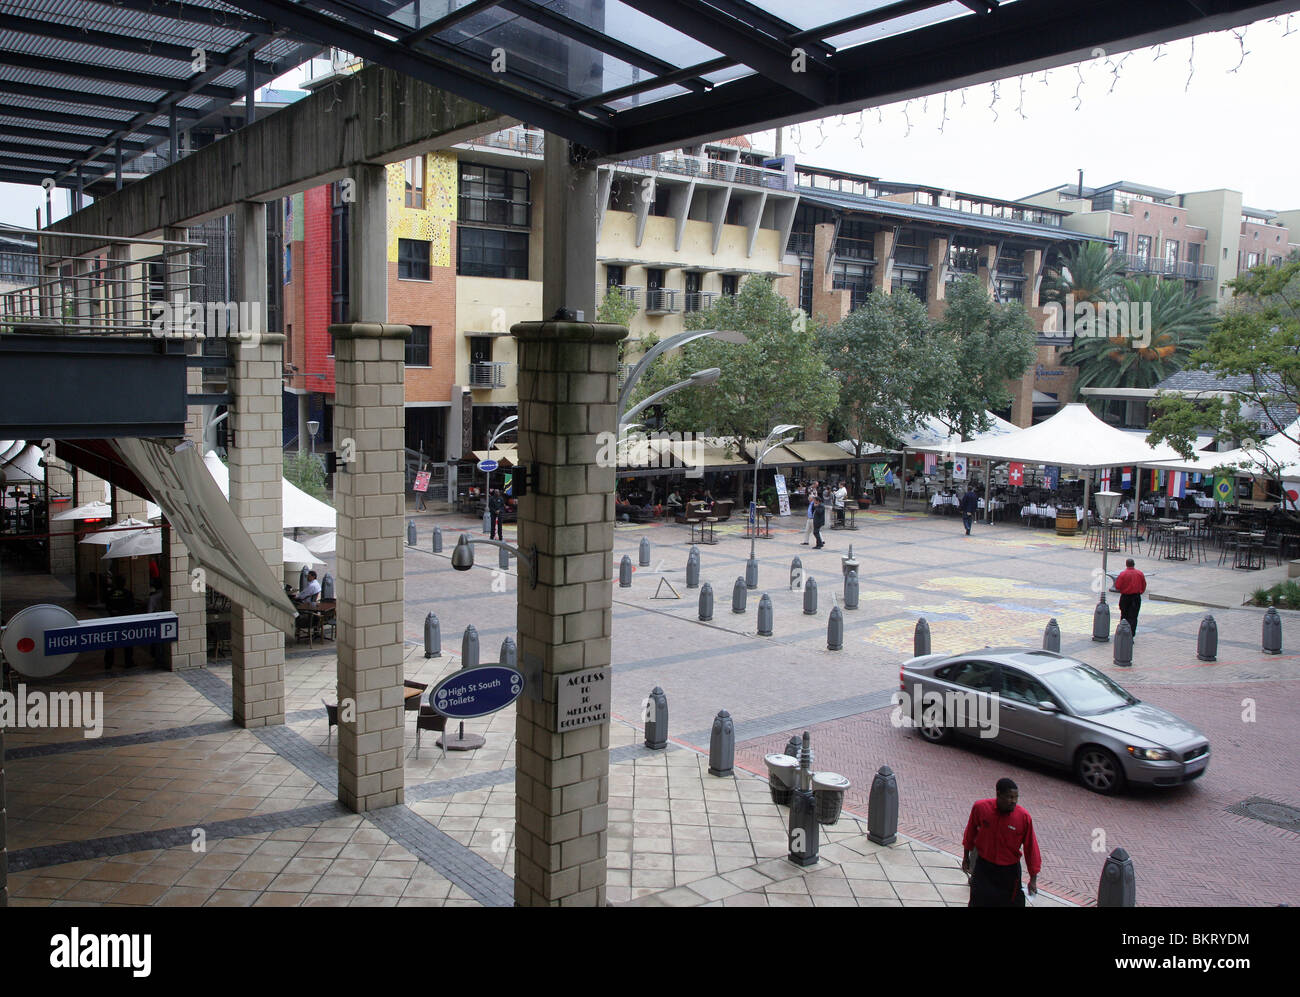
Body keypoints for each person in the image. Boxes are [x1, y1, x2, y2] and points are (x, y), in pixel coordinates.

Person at [962, 777, 1041, 907]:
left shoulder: (1023, 817)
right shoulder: (981, 808)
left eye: (1016, 798)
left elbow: (1031, 848)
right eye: (1010, 797)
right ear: (998, 794)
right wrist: (966, 858)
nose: (1013, 801)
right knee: (978, 902)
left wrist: (1033, 878)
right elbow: (970, 834)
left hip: (1009, 872)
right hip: (984, 868)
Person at [104, 574, 136, 670]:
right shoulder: (128, 593)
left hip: (112, 621)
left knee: (110, 642)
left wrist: (113, 611)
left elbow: (107, 605)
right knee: (128, 642)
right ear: (124, 583)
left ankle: (108, 663)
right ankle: (128, 662)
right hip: (125, 621)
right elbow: (131, 607)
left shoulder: (110, 593)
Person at [1115, 558, 1147, 636]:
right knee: (1133, 616)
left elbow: (1117, 586)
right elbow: (1144, 585)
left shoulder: (1123, 574)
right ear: (1134, 564)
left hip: (1125, 597)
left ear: (1126, 564)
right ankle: (1131, 634)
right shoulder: (1140, 573)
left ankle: (1123, 632)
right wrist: (1140, 592)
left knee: (1124, 615)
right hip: (1136, 597)